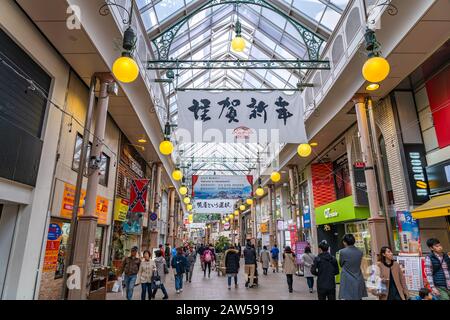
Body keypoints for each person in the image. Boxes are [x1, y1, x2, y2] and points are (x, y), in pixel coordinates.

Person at [338, 234, 368, 300]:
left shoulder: (343, 252)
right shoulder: (360, 251)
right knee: (358, 296)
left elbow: (341, 264)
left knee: (348, 297)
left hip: (347, 278)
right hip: (358, 276)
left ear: (345, 242)